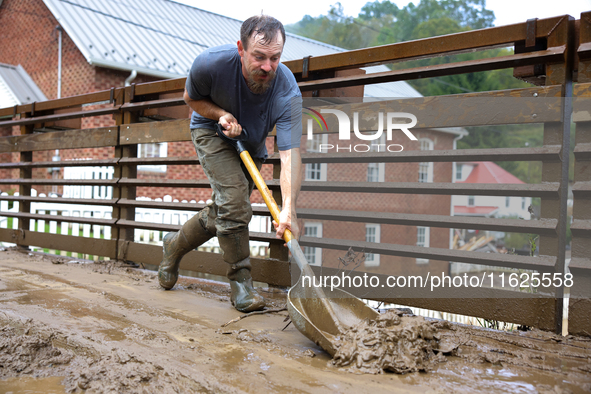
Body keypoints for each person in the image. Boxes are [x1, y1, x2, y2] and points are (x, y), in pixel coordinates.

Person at [158, 15, 302, 313]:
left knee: (226, 208)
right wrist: (221, 113)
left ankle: (174, 245)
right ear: (240, 48)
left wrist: (289, 207)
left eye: (275, 58)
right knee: (235, 204)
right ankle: (241, 284)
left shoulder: (288, 92)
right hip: (211, 129)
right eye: (259, 57)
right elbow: (191, 98)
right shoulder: (209, 64)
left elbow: (289, 154)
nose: (267, 67)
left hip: (251, 143)